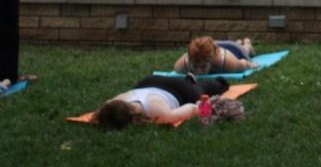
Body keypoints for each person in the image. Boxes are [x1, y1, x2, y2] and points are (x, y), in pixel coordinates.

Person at [91, 74, 229, 129]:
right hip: (147, 82)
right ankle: (188, 79)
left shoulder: (157, 113)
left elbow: (192, 108)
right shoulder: (116, 101)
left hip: (179, 89)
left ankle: (220, 82)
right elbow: (103, 108)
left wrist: (201, 107)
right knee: (191, 86)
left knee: (202, 89)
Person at [173, 36, 258, 75]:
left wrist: (249, 64)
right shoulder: (182, 65)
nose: (199, 72)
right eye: (195, 66)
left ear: (211, 60)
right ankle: (238, 42)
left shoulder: (227, 62)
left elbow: (243, 63)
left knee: (244, 51)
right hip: (210, 48)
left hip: (232, 48)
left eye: (203, 66)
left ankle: (247, 43)